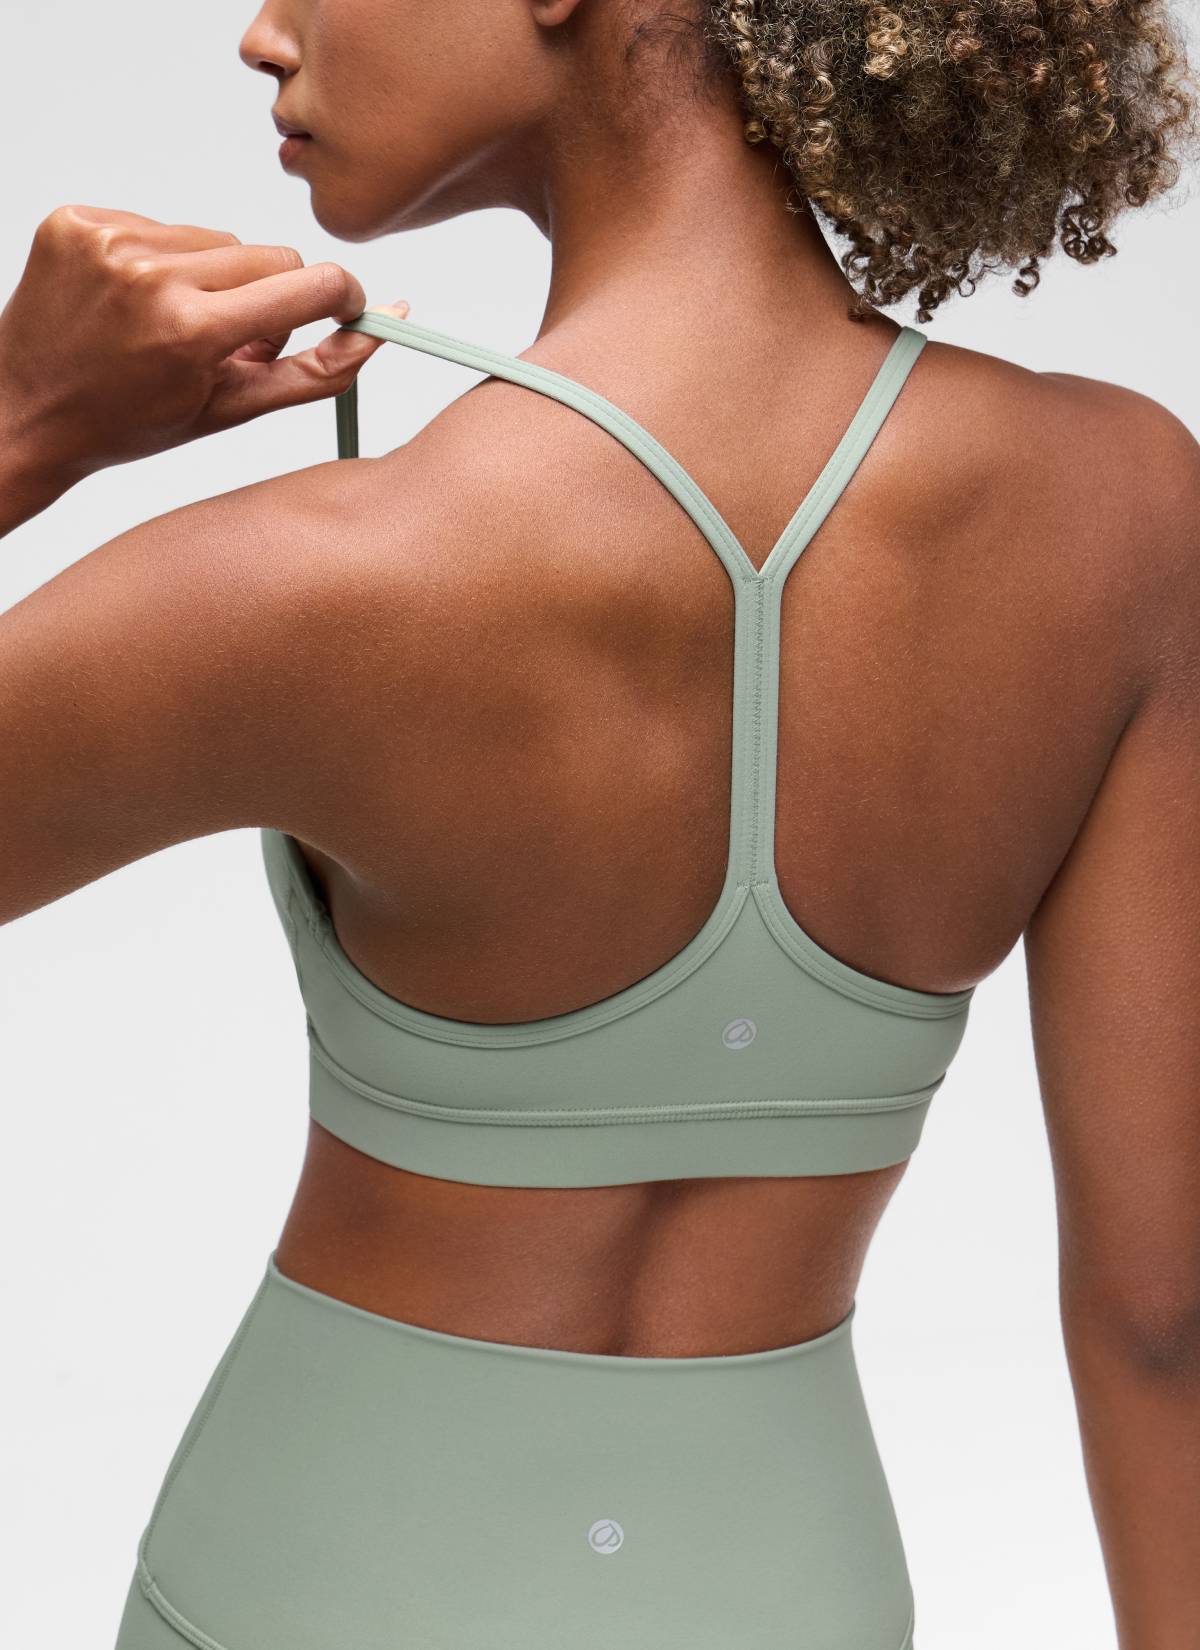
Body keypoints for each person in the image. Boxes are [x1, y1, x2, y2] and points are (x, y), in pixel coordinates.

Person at [1, 2, 1197, 1646]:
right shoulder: (1123, 513)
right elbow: (1163, 1316)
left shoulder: (320, 583)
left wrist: (24, 418)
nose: (265, 34)